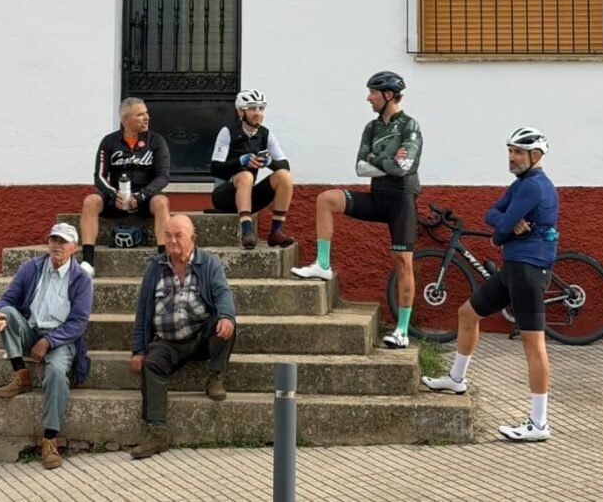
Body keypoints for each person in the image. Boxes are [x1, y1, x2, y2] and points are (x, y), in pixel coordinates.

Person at [421, 127, 559, 442]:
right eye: (510, 151)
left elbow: (501, 229)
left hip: (529, 271)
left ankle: (539, 424)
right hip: (513, 269)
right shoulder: (521, 184)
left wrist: (502, 230)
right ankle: (456, 379)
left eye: (518, 152)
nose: (511, 157)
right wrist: (504, 226)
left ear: (535, 155)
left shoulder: (534, 186)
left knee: (534, 345)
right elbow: (492, 214)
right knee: (467, 314)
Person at [290, 71, 423, 349]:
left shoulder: (410, 125)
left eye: (373, 93)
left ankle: (402, 330)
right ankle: (323, 265)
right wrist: (388, 159)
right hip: (377, 196)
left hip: (401, 200)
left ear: (388, 95)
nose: (368, 98)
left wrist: (377, 158)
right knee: (326, 199)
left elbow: (404, 168)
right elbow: (361, 167)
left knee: (402, 262)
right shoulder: (371, 128)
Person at [127, 214, 237, 459]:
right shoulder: (154, 267)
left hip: (200, 337)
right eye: (168, 235)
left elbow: (223, 293)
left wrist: (227, 316)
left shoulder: (209, 263)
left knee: (225, 323)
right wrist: (138, 351)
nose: (172, 241)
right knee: (151, 365)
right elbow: (143, 311)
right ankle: (157, 432)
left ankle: (215, 376)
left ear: (193, 238)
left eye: (178, 235)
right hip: (167, 341)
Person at [0, 222, 94, 469]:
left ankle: (50, 438)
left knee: (55, 372)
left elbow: (78, 323)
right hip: (31, 330)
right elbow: (7, 299)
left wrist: (49, 341)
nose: (57, 245)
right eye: (54, 240)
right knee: (7, 312)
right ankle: (20, 373)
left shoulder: (81, 279)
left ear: (74, 247)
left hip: (61, 339)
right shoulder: (31, 268)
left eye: (63, 241)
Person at [80, 97, 172, 277]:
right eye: (140, 115)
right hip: (116, 197)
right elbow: (99, 176)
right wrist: (113, 194)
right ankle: (88, 261)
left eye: (146, 113)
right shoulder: (109, 141)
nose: (147, 118)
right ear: (126, 119)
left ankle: (164, 259)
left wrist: (142, 195)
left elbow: (163, 176)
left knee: (162, 202)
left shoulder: (156, 141)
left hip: (145, 198)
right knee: (90, 201)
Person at [210, 89, 295, 249]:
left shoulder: (265, 134)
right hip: (224, 195)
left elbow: (285, 165)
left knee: (284, 176)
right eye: (252, 109)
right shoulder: (228, 132)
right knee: (246, 176)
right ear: (240, 112)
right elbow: (215, 169)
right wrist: (241, 161)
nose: (258, 113)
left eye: (261, 109)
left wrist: (268, 162)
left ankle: (276, 232)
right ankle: (247, 231)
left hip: (248, 196)